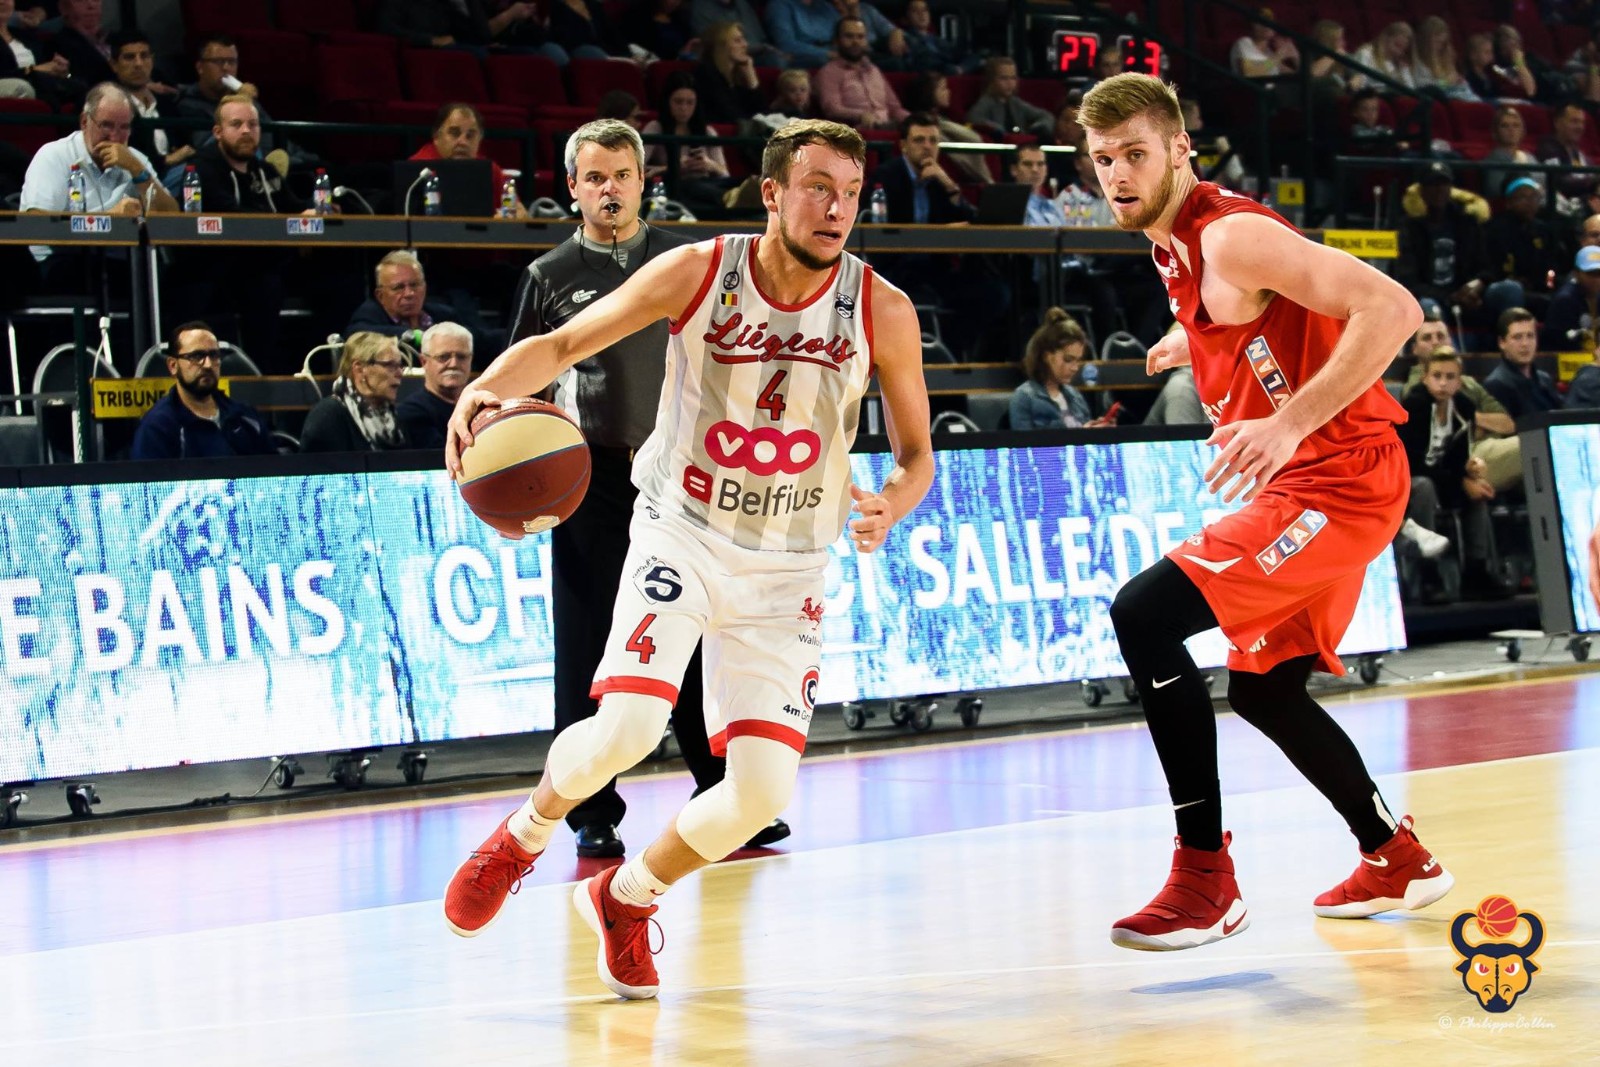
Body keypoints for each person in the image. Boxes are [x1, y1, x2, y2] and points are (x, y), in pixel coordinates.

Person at [440, 118, 933, 1001]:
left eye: (852, 194)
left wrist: (890, 503)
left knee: (759, 795)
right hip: (683, 531)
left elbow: (916, 454)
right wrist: (485, 388)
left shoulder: (881, 307)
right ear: (772, 192)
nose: (838, 209)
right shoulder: (700, 270)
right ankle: (523, 833)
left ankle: (626, 897)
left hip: (789, 569)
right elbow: (562, 345)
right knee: (629, 727)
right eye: (818, 188)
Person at [1079, 72, 1453, 952]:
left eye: (1136, 153)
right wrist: (1192, 342)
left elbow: (1393, 309)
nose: (1119, 174)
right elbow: (1255, 319)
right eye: (1103, 159)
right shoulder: (1175, 243)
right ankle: (1395, 855)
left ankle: (1205, 878)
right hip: (1316, 482)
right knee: (1263, 687)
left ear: (1180, 149)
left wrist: (1288, 422)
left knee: (1144, 614)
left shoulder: (1230, 235)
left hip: (1339, 482)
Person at [505, 117, 793, 858]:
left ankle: (722, 790)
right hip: (591, 477)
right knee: (588, 642)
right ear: (572, 188)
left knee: (696, 627)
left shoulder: (688, 261)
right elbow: (522, 388)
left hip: (684, 475)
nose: (610, 189)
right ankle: (589, 810)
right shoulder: (548, 275)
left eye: (622, 175)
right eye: (595, 177)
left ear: (643, 183)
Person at [20, 82, 178, 284]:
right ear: (84, 122)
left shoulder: (135, 160)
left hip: (119, 259)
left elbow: (172, 218)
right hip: (59, 259)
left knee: (174, 276)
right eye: (107, 125)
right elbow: (38, 225)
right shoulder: (54, 155)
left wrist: (138, 172)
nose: (115, 137)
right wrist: (109, 220)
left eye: (124, 127)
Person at [1398, 348, 1506, 600]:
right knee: (1424, 486)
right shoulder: (1414, 405)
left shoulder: (1464, 407)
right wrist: (1460, 480)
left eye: (1450, 377)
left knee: (1477, 491)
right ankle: (1428, 574)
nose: (1443, 383)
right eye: (1437, 376)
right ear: (1425, 378)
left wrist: (1471, 475)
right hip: (1408, 480)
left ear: (1460, 382)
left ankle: (1476, 571)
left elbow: (1458, 458)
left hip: (1442, 477)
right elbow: (1411, 463)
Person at [130, 321, 275, 460]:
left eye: (214, 355)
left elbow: (274, 472)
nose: (208, 365)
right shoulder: (157, 427)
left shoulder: (245, 417)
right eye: (196, 356)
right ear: (173, 366)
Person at [298, 331, 412, 453]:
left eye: (400, 366)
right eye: (390, 365)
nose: (400, 373)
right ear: (359, 369)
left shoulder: (394, 416)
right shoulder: (328, 415)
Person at [407, 102, 525, 217]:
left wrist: (511, 215)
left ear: (480, 139)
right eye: (454, 133)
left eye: (470, 135)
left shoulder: (490, 170)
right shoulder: (417, 169)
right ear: (436, 136)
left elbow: (515, 209)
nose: (463, 142)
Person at [1008, 308, 1114, 430]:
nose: (1075, 368)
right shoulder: (1025, 397)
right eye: (1068, 360)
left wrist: (1097, 430)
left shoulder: (1075, 396)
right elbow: (1024, 441)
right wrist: (1081, 434)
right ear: (1047, 356)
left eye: (1077, 360)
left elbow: (1086, 434)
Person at [109, 28, 190, 173]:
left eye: (144, 56)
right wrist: (166, 160)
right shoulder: (109, 106)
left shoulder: (165, 103)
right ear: (114, 65)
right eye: (129, 57)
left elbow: (187, 145)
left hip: (175, 174)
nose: (138, 64)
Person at [348, 250, 460, 345]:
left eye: (414, 285)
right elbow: (356, 335)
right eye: (398, 287)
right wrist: (415, 336)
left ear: (425, 288)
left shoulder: (444, 315)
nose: (409, 293)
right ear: (380, 296)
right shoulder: (369, 314)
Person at [813, 16, 905, 129]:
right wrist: (860, 115)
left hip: (887, 127)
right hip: (855, 131)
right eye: (849, 36)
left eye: (860, 37)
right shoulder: (828, 72)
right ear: (837, 41)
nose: (855, 42)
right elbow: (832, 109)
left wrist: (912, 119)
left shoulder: (874, 70)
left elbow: (894, 108)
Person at [397, 321, 474, 450]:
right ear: (424, 361)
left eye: (461, 356)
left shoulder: (482, 406)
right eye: (443, 357)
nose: (454, 364)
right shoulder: (410, 413)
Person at [1483, 306, 1561, 420]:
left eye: (1530, 336)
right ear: (1502, 342)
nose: (1525, 344)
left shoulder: (1545, 379)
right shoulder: (1496, 385)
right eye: (1517, 337)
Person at [694, 19, 765, 125]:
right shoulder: (706, 73)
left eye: (743, 39)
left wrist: (751, 77)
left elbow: (763, 115)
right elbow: (731, 116)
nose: (745, 44)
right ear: (721, 46)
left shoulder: (738, 74)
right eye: (737, 40)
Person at [966, 56, 1052, 139]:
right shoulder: (987, 101)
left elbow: (1046, 116)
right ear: (991, 81)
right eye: (1004, 78)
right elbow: (973, 118)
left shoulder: (1015, 103)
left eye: (1013, 78)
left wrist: (1037, 127)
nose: (1010, 83)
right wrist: (996, 129)